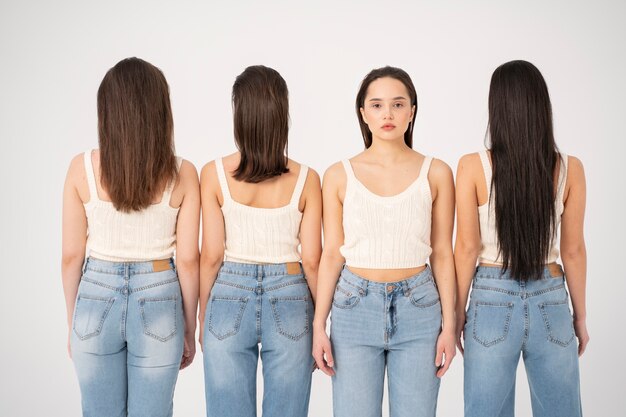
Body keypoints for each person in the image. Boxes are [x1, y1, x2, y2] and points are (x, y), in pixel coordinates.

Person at [312, 66, 457, 417]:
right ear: (363, 114)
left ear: (412, 111)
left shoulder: (436, 172)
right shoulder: (337, 174)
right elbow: (331, 254)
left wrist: (450, 326)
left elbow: (442, 254)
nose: (387, 114)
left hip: (419, 308)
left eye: (397, 104)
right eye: (376, 105)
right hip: (353, 308)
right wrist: (319, 325)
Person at [61, 57, 200, 417]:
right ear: (160, 111)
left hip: (95, 297)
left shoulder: (81, 169)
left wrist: (74, 322)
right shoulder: (183, 174)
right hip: (159, 296)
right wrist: (188, 326)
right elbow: (187, 259)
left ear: (107, 111)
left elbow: (71, 256)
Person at [454, 60, 589, 417]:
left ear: (496, 107)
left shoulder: (472, 166)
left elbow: (466, 249)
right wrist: (580, 317)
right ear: (540, 106)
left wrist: (455, 314)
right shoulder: (570, 168)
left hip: (490, 298)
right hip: (551, 297)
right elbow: (573, 251)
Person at [199, 65, 322, 417]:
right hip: (291, 293)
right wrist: (318, 322)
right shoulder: (307, 179)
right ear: (282, 114)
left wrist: (203, 315)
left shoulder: (213, 174)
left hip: (228, 292)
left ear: (240, 114)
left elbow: (210, 256)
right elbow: (312, 259)